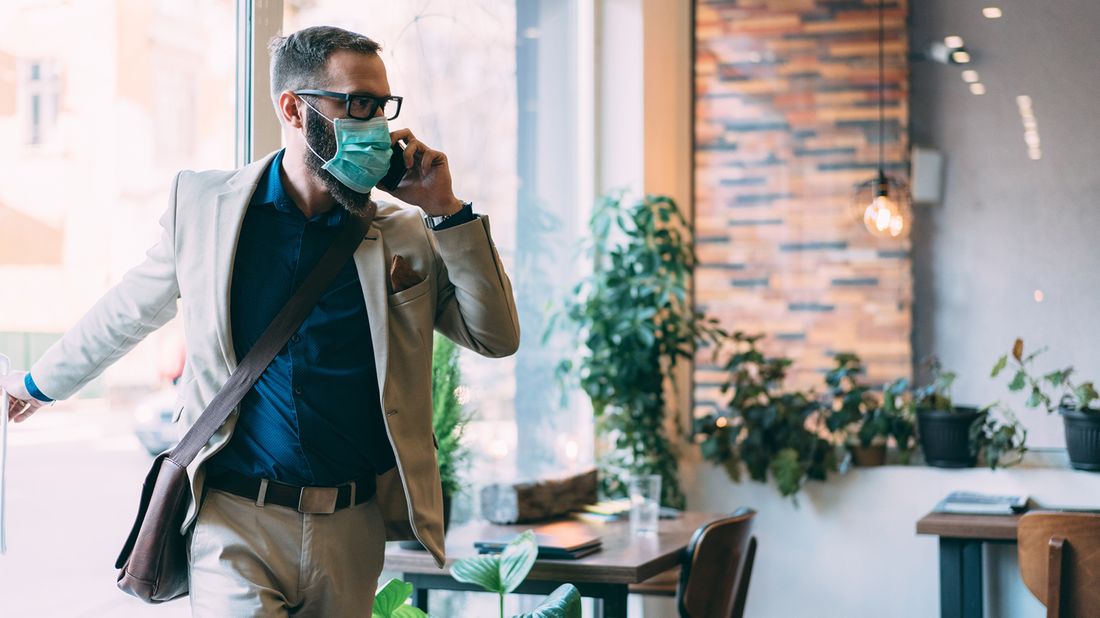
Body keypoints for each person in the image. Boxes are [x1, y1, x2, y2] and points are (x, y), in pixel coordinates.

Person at [0, 25, 519, 616]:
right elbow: (127, 309)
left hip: (351, 528)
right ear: (293, 110)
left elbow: (495, 337)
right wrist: (37, 385)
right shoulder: (206, 208)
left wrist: (447, 213)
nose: (375, 122)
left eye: (381, 105)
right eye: (355, 103)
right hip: (233, 521)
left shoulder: (407, 231)